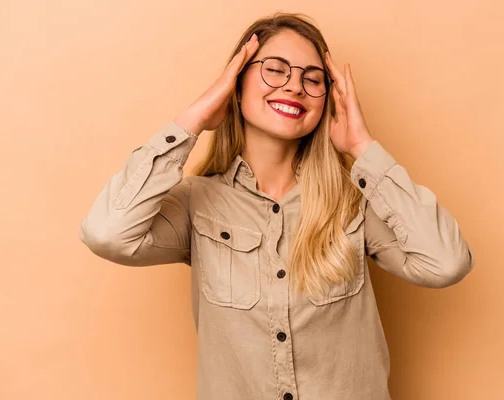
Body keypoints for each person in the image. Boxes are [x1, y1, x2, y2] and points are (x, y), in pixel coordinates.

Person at [80, 12, 475, 400]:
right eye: (275, 69)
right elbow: (107, 234)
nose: (295, 87)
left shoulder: (355, 202)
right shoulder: (195, 204)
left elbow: (445, 263)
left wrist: (362, 148)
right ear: (235, 85)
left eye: (312, 78)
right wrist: (195, 118)